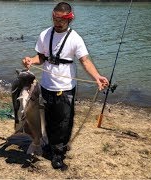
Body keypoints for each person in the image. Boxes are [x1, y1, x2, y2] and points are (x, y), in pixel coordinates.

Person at [22, 2, 109, 169]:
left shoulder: (75, 38)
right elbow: (40, 57)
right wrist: (30, 60)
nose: (57, 22)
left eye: (61, 19)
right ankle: (49, 146)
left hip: (66, 88)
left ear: (69, 19)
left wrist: (97, 77)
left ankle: (58, 154)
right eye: (54, 18)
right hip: (46, 86)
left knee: (63, 123)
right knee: (48, 119)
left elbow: (85, 61)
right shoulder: (45, 34)